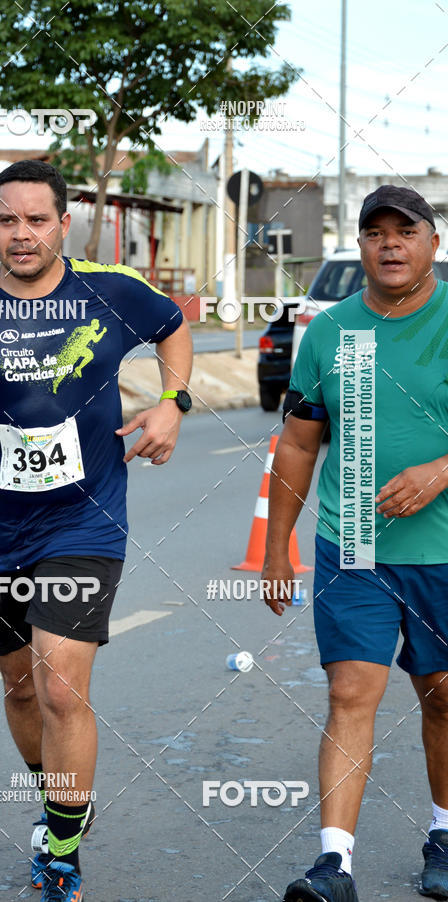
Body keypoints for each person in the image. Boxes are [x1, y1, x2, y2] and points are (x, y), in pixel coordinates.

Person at [0, 159, 193, 902]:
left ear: (64, 224)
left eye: (36, 219)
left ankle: (60, 852)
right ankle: (59, 797)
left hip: (83, 522)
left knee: (60, 687)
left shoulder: (110, 292)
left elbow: (174, 325)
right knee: (22, 690)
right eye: (7, 220)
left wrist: (172, 400)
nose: (21, 234)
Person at [262, 185, 448, 902]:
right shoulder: (331, 331)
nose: (390, 244)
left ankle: (442, 831)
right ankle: (333, 864)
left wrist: (440, 469)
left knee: (441, 698)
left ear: (432, 242)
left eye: (406, 231)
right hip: (356, 545)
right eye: (375, 232)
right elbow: (300, 444)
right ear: (362, 245)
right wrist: (280, 546)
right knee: (349, 693)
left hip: (442, 552)